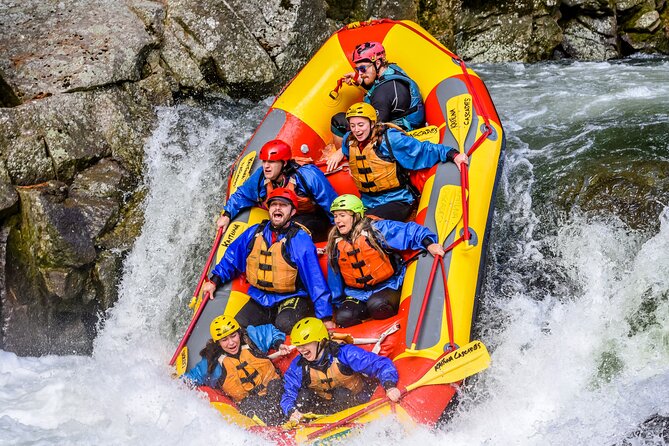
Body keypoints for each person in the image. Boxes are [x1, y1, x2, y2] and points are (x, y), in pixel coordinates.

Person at [202, 187, 334, 333]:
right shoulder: (254, 232)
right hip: (261, 298)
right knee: (238, 329)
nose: (277, 208)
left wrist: (325, 317)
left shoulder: (299, 240)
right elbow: (232, 257)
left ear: (293, 212)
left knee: (284, 324)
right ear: (269, 209)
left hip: (292, 297)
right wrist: (214, 280)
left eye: (283, 205)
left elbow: (315, 280)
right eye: (274, 204)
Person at [326, 102, 468, 221]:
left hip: (397, 199)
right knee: (347, 226)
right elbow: (349, 154)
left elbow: (422, 150)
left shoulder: (391, 139)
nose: (357, 130)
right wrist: (339, 154)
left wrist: (452, 154)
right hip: (367, 202)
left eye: (361, 125)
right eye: (353, 125)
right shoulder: (349, 140)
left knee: (365, 227)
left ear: (372, 123)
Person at [326, 194, 445, 327]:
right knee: (343, 317)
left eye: (342, 215)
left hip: (388, 285)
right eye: (335, 216)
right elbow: (334, 278)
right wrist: (337, 304)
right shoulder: (335, 243)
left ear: (356, 215)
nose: (337, 220)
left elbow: (410, 231)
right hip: (357, 294)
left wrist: (429, 243)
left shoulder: (376, 230)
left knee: (378, 306)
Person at [281, 317, 401, 423]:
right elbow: (288, 392)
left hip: (354, 402)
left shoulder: (344, 353)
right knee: (304, 397)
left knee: (341, 394)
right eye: (298, 345)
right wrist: (291, 411)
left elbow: (381, 364)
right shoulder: (299, 365)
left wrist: (389, 386)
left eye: (305, 344)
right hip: (324, 407)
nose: (301, 349)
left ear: (321, 341)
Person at [217, 139, 338, 242]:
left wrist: (339, 233)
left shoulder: (308, 175)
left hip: (315, 219)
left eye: (271, 162)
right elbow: (243, 194)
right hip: (286, 219)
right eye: (264, 161)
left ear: (284, 163)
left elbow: (332, 204)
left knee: (290, 232)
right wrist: (227, 214)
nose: (266, 166)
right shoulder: (261, 176)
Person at [183, 315, 290, 425]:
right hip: (249, 402)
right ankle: (277, 427)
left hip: (274, 387)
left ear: (239, 333)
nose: (231, 343)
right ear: (218, 342)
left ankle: (290, 418)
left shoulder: (252, 338)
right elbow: (193, 377)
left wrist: (279, 344)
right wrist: (175, 383)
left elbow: (271, 331)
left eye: (233, 336)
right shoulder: (212, 362)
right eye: (224, 340)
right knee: (252, 406)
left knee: (276, 388)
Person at [330, 41, 425, 148]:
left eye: (362, 69)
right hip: (410, 123)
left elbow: (372, 131)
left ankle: (346, 158)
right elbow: (379, 87)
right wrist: (359, 80)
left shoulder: (382, 94)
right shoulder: (392, 70)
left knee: (338, 120)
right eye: (357, 69)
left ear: (378, 63)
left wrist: (341, 151)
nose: (360, 73)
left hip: (400, 135)